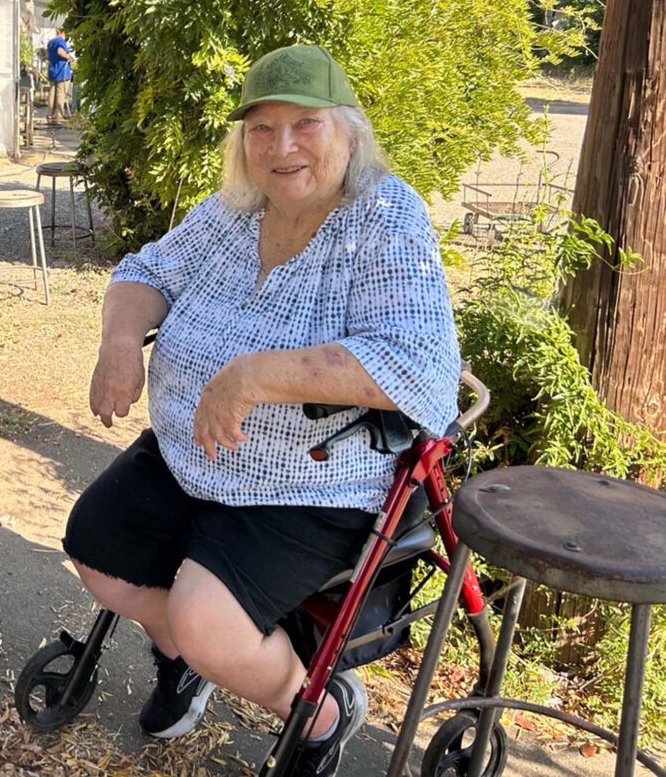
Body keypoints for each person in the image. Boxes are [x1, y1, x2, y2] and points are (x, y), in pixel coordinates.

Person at [62, 44, 461, 775]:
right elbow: (145, 270)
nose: (281, 147)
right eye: (260, 129)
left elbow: (418, 363)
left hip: (309, 484)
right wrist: (120, 340)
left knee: (205, 620)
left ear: (348, 132)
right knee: (95, 547)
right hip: (192, 453)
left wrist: (254, 376)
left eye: (304, 124)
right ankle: (187, 662)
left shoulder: (383, 216)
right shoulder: (232, 211)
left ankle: (318, 708)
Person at [45, 26, 74, 124]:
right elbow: (60, 51)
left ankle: (49, 114)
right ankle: (59, 116)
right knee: (60, 94)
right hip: (62, 71)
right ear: (63, 32)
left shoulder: (50, 42)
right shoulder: (61, 41)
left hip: (53, 71)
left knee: (52, 93)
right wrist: (69, 57)